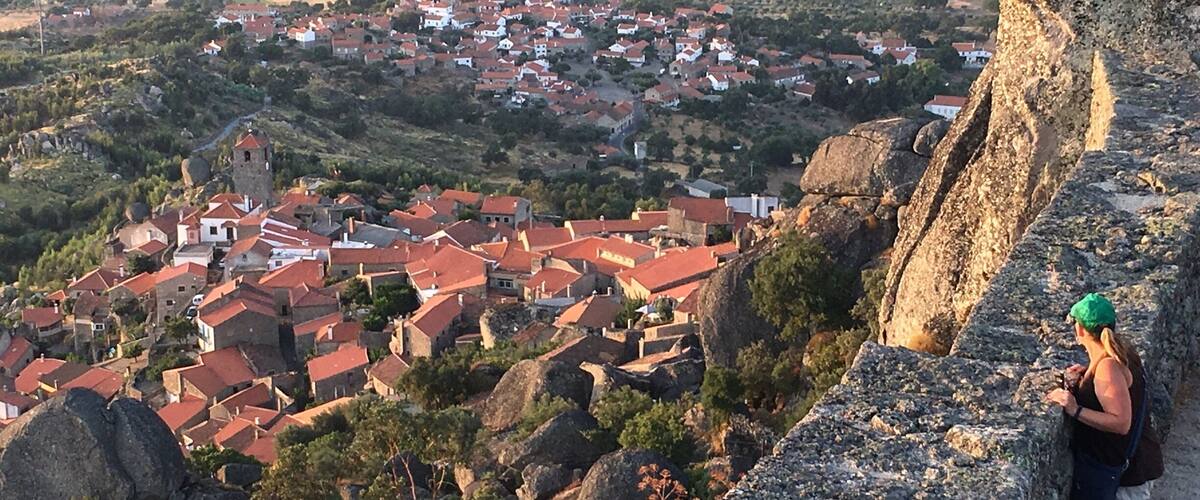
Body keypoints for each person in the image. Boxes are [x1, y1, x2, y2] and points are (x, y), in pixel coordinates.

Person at [1045, 293, 1163, 500]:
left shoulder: (1107, 366)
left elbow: (1121, 422)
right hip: (1128, 465)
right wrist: (1086, 377)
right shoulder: (1121, 351)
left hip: (1122, 475)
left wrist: (1075, 409)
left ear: (1080, 329)